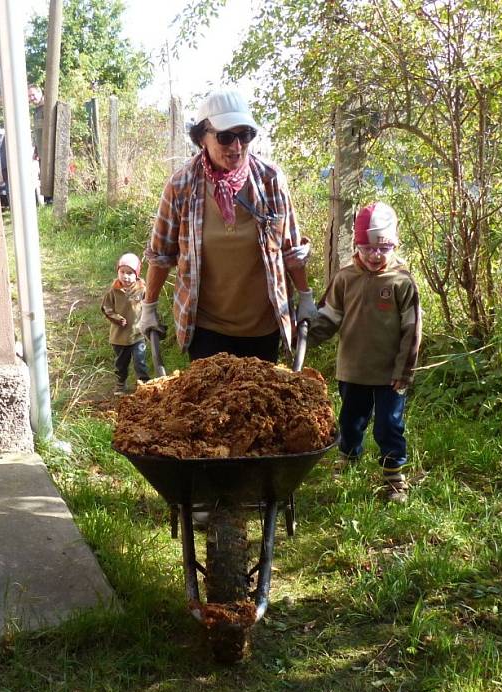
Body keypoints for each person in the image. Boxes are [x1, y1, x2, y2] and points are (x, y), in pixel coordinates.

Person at [140, 86, 317, 364]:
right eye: (225, 137)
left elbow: (290, 249)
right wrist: (149, 306)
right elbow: (161, 254)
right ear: (202, 138)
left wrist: (305, 296)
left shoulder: (269, 181)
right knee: (210, 406)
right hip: (207, 329)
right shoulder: (181, 186)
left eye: (245, 135)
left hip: (262, 328)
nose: (236, 147)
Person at [308, 202, 422, 503]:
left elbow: (412, 330)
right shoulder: (345, 277)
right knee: (350, 419)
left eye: (383, 248)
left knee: (389, 425)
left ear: (394, 246)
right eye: (367, 248)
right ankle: (347, 457)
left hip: (389, 374)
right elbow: (329, 316)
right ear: (357, 246)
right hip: (353, 368)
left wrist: (404, 370)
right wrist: (304, 338)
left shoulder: (401, 282)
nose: (375, 255)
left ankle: (394, 476)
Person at [101, 253, 151, 395]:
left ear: (136, 274)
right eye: (122, 272)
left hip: (137, 334)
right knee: (121, 363)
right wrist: (116, 318)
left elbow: (149, 305)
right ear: (118, 272)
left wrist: (151, 321)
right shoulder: (113, 291)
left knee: (140, 362)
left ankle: (144, 385)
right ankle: (120, 384)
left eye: (130, 273)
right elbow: (106, 308)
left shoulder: (142, 289)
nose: (126, 276)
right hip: (119, 336)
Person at [28, 84, 45, 162]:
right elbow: (39, 132)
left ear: (40, 93)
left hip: (49, 154)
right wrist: (36, 150)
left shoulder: (46, 108)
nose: (31, 98)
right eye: (29, 96)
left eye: (33, 95)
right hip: (42, 155)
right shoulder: (37, 111)